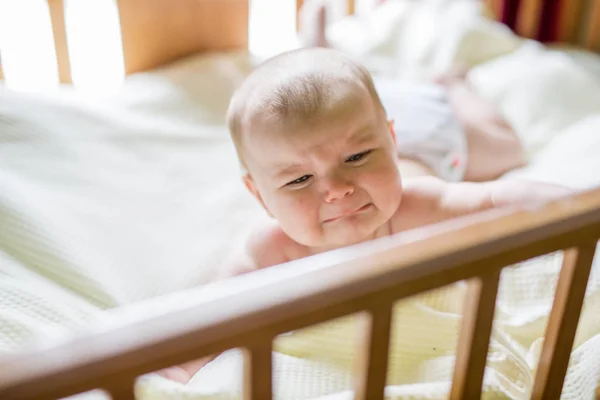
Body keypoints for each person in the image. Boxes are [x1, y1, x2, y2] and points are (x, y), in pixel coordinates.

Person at [156, 46, 574, 384]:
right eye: (300, 180)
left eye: (357, 158)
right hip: (373, 120)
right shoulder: (271, 248)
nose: (337, 189)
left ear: (388, 143)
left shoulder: (419, 206)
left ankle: (455, 87)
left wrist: (579, 204)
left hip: (432, 138)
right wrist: (177, 368)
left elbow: (497, 200)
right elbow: (213, 309)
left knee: (504, 148)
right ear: (260, 196)